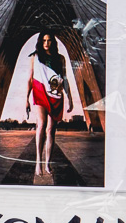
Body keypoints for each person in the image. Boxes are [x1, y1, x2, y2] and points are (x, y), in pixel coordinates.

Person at [23, 29, 88, 181]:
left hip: (56, 95)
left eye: (49, 40)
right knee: (41, 125)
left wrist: (70, 98)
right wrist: (26, 98)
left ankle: (47, 164)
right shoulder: (35, 57)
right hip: (39, 92)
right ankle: (38, 162)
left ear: (53, 42)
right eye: (44, 40)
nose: (46, 43)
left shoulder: (61, 59)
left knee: (51, 129)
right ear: (40, 42)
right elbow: (30, 79)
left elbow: (64, 79)